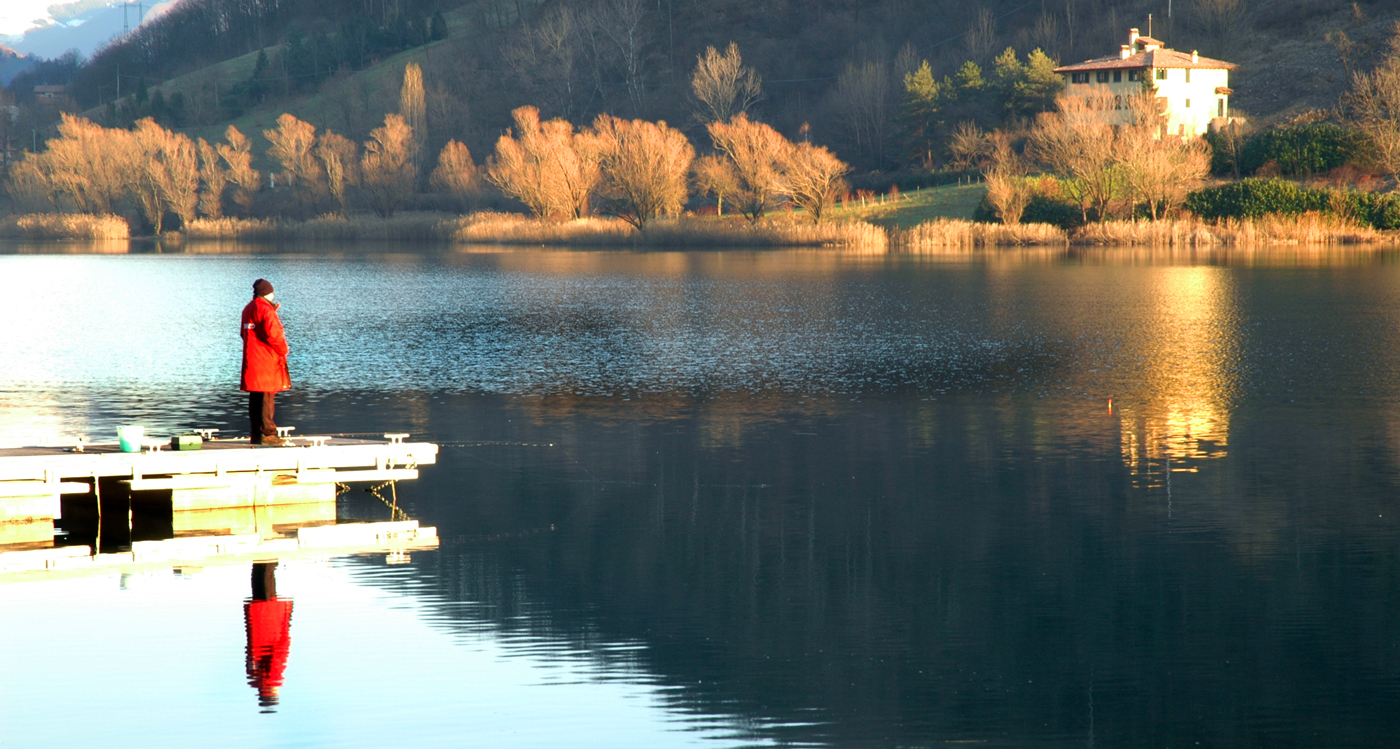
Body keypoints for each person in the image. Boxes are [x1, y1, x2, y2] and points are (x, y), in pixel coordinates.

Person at [241, 278, 291, 446]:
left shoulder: (249, 308)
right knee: (266, 397)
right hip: (266, 359)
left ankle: (256, 433)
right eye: (272, 291)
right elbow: (274, 335)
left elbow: (243, 333)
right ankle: (268, 433)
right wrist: (284, 350)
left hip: (253, 358)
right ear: (268, 293)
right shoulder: (265, 310)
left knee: (256, 397)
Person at [245, 561, 294, 710]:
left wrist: (287, 631)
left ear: (270, 692)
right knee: (261, 581)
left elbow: (281, 652)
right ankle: (265, 558)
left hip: (270, 625)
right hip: (258, 625)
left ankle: (269, 557)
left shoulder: (273, 677)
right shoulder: (253, 675)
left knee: (266, 576)